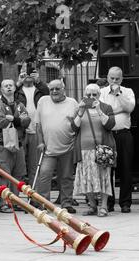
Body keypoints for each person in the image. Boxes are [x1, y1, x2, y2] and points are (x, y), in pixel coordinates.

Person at [71, 84, 116, 217]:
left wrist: (99, 110)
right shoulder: (80, 108)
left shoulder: (106, 107)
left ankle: (103, 207)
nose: (91, 97)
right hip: (84, 150)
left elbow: (110, 125)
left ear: (99, 95)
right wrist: (80, 112)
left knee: (104, 178)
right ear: (85, 95)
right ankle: (92, 206)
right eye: (88, 95)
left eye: (94, 95)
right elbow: (74, 128)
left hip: (102, 150)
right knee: (86, 179)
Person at [35, 79, 79, 213]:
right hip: (48, 148)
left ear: (63, 89)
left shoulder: (73, 103)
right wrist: (40, 142)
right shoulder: (43, 101)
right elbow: (38, 125)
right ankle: (44, 203)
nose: (54, 91)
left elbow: (77, 125)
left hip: (68, 147)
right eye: (51, 89)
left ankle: (66, 203)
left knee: (66, 177)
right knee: (44, 175)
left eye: (57, 89)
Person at [99, 66, 136, 213]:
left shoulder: (128, 92)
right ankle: (108, 202)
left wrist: (118, 95)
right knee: (107, 170)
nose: (114, 81)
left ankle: (125, 203)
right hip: (107, 134)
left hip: (124, 134)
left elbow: (130, 108)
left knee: (126, 169)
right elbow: (101, 111)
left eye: (117, 78)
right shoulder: (101, 92)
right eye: (112, 78)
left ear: (122, 79)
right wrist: (119, 110)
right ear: (107, 77)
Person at [0, 79, 30, 213]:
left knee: (18, 175)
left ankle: (15, 201)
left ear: (15, 88)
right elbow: (1, 122)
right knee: (4, 175)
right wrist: (19, 120)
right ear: (1, 90)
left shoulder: (20, 105)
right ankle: (3, 204)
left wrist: (13, 119)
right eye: (5, 86)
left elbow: (27, 121)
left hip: (18, 144)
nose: (8, 88)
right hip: (3, 145)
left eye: (10, 85)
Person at [14, 67, 49, 187]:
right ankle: (17, 198)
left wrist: (39, 81)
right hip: (21, 133)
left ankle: (35, 198)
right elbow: (8, 96)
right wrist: (18, 83)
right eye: (24, 72)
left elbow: (49, 96)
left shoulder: (40, 90)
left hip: (36, 132)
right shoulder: (16, 91)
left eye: (31, 73)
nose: (28, 75)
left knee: (34, 167)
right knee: (19, 167)